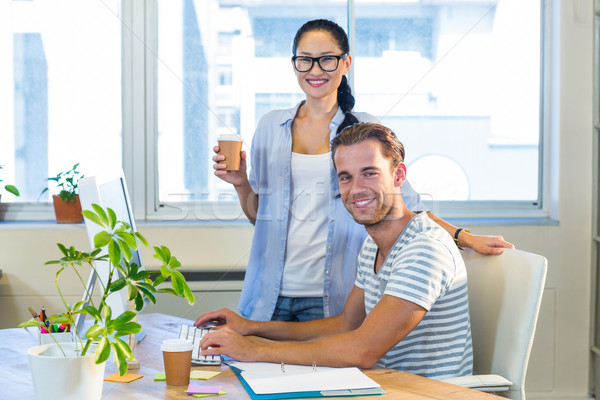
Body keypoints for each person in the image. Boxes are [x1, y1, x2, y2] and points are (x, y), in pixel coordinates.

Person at [212, 19, 513, 322]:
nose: (315, 71)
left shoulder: (363, 131)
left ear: (346, 64)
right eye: (305, 60)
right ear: (294, 65)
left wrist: (465, 237)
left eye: (327, 59)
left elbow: (409, 208)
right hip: (267, 296)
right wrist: (241, 185)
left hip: (333, 299)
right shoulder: (269, 127)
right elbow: (261, 218)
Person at [197, 123, 472, 379]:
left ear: (398, 175)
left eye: (369, 173)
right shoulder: (373, 246)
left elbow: (362, 350)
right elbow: (344, 325)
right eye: (345, 177)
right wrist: (251, 328)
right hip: (379, 385)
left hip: (424, 392)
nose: (356, 189)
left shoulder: (423, 248)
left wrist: (254, 350)